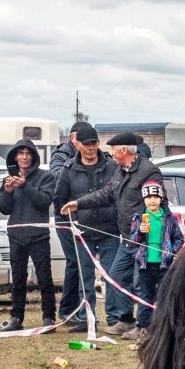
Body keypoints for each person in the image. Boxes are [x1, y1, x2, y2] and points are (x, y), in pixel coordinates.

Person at [60, 131, 163, 335]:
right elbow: (106, 193)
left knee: (141, 283)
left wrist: (145, 226)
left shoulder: (149, 172)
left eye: (114, 150)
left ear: (123, 150)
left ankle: (145, 327)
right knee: (115, 276)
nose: (111, 154)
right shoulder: (121, 170)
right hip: (126, 239)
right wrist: (78, 204)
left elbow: (158, 204)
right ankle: (125, 319)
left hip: (144, 240)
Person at [52, 125, 120, 333]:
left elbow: (119, 195)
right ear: (77, 144)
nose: (91, 148)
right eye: (86, 144)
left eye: (94, 143)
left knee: (112, 276)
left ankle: (114, 318)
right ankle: (86, 318)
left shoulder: (112, 166)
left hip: (109, 230)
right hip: (82, 232)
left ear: (98, 144)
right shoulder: (69, 169)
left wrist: (116, 216)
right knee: (85, 277)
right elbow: (59, 199)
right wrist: (71, 220)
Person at [0, 139, 56, 331]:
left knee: (44, 278)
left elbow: (44, 201)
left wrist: (24, 186)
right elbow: (4, 209)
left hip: (38, 234)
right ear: (15, 156)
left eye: (28, 153)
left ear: (33, 156)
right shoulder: (8, 179)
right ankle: (16, 318)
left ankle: (48, 318)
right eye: (20, 153)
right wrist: (7, 191)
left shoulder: (45, 177)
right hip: (15, 235)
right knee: (18, 279)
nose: (24, 157)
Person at [124, 181, 184, 342]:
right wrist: (139, 232)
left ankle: (164, 328)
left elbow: (179, 238)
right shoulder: (139, 217)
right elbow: (132, 242)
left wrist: (171, 252)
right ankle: (143, 328)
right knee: (145, 296)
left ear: (161, 199)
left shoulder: (169, 218)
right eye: (149, 197)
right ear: (144, 199)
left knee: (164, 295)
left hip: (164, 264)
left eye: (156, 197)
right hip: (145, 264)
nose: (152, 200)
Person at [50, 121, 95, 324]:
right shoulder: (61, 156)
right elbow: (58, 178)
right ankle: (68, 309)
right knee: (75, 262)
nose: (87, 146)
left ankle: (77, 307)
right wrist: (78, 166)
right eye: (82, 140)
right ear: (73, 139)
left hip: (85, 216)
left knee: (84, 264)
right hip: (65, 218)